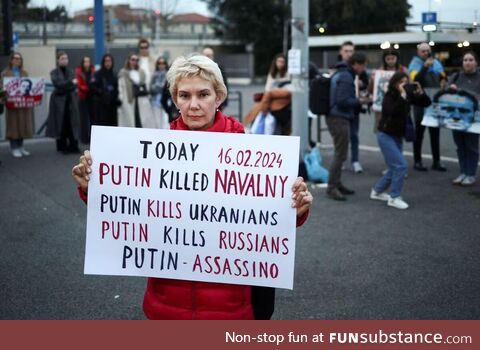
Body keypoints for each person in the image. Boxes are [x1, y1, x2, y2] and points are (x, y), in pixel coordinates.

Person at [72, 54, 313, 320]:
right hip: (166, 305)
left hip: (230, 308)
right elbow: (129, 208)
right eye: (184, 96)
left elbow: (268, 223)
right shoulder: (148, 154)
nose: (194, 105)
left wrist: (297, 209)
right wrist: (92, 189)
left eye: (204, 94)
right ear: (175, 99)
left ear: (219, 96)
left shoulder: (252, 156)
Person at [370, 72, 431, 210]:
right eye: (400, 82)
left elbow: (426, 103)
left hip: (397, 135)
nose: (403, 84)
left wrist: (421, 92)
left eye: (406, 81)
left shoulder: (408, 95)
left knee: (394, 167)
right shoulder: (389, 95)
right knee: (401, 166)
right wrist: (403, 95)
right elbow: (391, 111)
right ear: (394, 83)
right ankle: (394, 197)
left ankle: (377, 191)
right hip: (385, 135)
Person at [326, 52, 371, 201]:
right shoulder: (346, 76)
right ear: (355, 64)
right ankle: (332, 187)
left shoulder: (342, 73)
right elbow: (342, 101)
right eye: (363, 65)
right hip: (338, 118)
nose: (364, 68)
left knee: (341, 153)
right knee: (340, 154)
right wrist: (360, 101)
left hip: (335, 117)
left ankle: (337, 184)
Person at [408, 42, 447, 171]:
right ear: (418, 53)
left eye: (428, 51)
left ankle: (437, 161)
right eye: (423, 51)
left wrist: (443, 81)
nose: (426, 53)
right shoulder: (414, 64)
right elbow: (415, 80)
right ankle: (417, 161)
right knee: (419, 133)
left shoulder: (436, 63)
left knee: (435, 133)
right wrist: (425, 67)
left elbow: (443, 77)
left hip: (434, 101)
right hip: (420, 102)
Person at [447, 51, 480, 186]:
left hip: (473, 118)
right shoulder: (456, 76)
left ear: (476, 63)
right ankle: (463, 172)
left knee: (471, 146)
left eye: (471, 60)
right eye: (465, 60)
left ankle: (471, 174)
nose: (467, 62)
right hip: (457, 117)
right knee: (460, 146)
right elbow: (446, 95)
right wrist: (450, 89)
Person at [46, 51, 81, 154]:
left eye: (66, 58)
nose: (65, 60)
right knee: (61, 123)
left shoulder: (71, 71)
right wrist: (69, 83)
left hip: (71, 101)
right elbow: (58, 84)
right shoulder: (54, 72)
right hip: (59, 102)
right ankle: (62, 146)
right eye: (62, 58)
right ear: (58, 60)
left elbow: (74, 85)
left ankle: (73, 145)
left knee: (72, 123)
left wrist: (66, 86)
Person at [0, 52, 34, 158]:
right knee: (13, 125)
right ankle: (14, 147)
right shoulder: (5, 73)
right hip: (11, 103)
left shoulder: (24, 73)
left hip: (23, 103)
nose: (18, 60)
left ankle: (21, 146)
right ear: (11, 60)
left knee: (23, 124)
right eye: (15, 58)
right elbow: (1, 87)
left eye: (20, 59)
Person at [370, 49, 407, 132]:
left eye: (392, 58)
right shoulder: (379, 71)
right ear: (384, 59)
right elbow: (371, 89)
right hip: (382, 104)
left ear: (397, 58)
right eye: (388, 59)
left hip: (398, 103)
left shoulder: (403, 70)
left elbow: (409, 86)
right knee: (381, 127)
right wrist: (373, 80)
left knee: (397, 127)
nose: (390, 61)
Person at [117, 53, 155, 128]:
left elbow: (145, 85)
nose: (134, 62)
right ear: (129, 60)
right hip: (129, 99)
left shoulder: (141, 72)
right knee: (130, 121)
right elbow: (120, 87)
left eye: (136, 60)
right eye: (133, 60)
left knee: (142, 121)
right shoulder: (123, 72)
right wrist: (120, 98)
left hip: (141, 99)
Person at [90, 53, 119, 127]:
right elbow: (92, 86)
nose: (108, 63)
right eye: (106, 61)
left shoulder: (115, 74)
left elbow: (117, 88)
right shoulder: (97, 74)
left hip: (112, 106)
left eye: (109, 61)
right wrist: (101, 92)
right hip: (100, 105)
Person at [75, 56, 95, 144]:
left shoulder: (93, 71)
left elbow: (95, 82)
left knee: (92, 118)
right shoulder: (79, 71)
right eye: (85, 61)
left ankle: (92, 137)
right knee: (83, 118)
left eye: (88, 61)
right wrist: (88, 88)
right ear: (82, 63)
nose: (87, 63)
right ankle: (84, 137)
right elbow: (79, 85)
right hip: (83, 97)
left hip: (92, 97)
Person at [150, 56, 170, 129]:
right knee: (157, 123)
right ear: (157, 64)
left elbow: (168, 88)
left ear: (166, 64)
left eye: (163, 63)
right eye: (159, 63)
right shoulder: (154, 75)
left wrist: (158, 86)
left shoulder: (169, 74)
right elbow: (151, 88)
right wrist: (162, 87)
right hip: (155, 101)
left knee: (166, 122)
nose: (161, 65)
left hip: (167, 102)